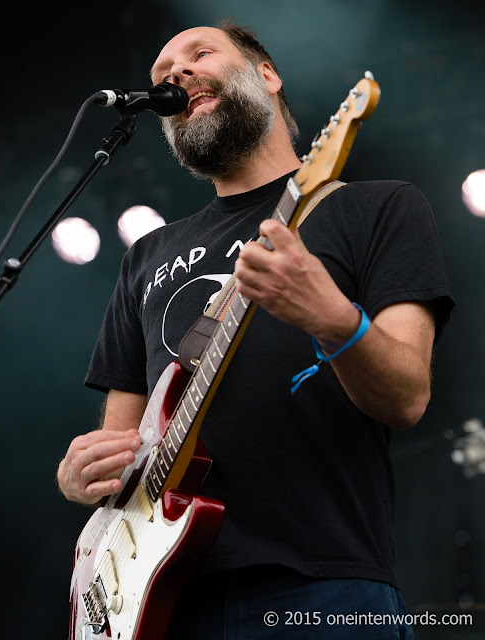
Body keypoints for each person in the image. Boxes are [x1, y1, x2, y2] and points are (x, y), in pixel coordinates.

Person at [57, 20, 454, 639]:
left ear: (267, 76)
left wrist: (332, 319)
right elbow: (120, 448)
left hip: (321, 589)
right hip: (159, 600)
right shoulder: (147, 254)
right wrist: (80, 475)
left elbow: (407, 398)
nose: (174, 74)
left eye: (199, 53)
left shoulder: (376, 207)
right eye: (162, 72)